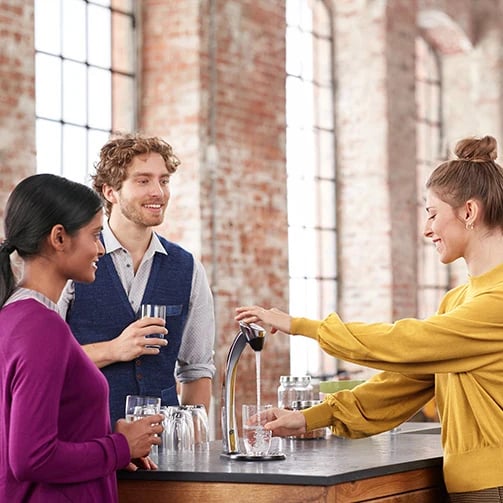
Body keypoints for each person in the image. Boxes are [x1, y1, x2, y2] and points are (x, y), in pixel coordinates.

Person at [236, 135, 503, 501]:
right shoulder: (458, 300)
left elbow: (402, 343)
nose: (427, 229)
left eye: (432, 213)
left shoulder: (497, 301)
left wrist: (300, 325)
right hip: (474, 483)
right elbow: (403, 384)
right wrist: (309, 418)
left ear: (469, 212)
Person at [0, 174, 163, 502]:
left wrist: (108, 443)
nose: (101, 248)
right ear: (59, 238)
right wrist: (120, 447)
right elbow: (32, 458)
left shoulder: (14, 318)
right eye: (94, 235)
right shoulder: (41, 328)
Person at [59, 132, 216, 426]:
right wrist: (114, 349)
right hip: (86, 438)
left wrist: (193, 446)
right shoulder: (70, 262)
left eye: (164, 180)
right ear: (110, 192)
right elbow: (44, 362)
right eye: (143, 180)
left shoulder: (187, 267)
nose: (158, 191)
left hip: (164, 448)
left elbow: (197, 370)